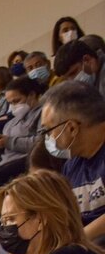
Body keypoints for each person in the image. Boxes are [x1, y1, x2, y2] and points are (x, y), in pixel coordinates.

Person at [39, 81, 105, 239]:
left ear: (72, 128)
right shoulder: (71, 166)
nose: (47, 138)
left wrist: (78, 241)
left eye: (48, 130)